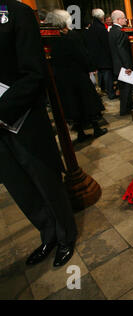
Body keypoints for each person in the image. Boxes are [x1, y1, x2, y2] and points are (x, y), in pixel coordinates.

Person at [0, 0, 76, 267]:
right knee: (19, 187)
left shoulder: (14, 12)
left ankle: (66, 235)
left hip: (21, 117)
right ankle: (48, 233)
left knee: (44, 180)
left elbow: (34, 73)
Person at [45, 9, 108, 143]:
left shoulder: (50, 39)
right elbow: (82, 54)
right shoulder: (72, 36)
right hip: (78, 75)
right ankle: (96, 128)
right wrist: (89, 67)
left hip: (62, 79)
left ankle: (80, 132)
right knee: (87, 103)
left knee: (74, 105)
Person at [85, 8, 116, 100]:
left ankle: (103, 89)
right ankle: (110, 92)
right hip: (104, 55)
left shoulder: (91, 27)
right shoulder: (101, 28)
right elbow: (106, 43)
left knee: (101, 73)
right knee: (107, 74)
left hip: (95, 55)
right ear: (102, 17)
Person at [109, 10, 133, 116]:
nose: (125, 20)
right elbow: (122, 50)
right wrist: (127, 66)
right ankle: (124, 110)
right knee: (125, 89)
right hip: (122, 65)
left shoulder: (112, 31)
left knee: (125, 87)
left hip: (117, 64)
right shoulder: (119, 32)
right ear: (119, 20)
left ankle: (130, 105)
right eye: (124, 18)